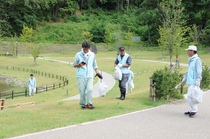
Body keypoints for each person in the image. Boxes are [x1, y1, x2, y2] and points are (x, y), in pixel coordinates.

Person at [73, 41, 103, 109]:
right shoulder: (78, 54)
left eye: (87, 49)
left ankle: (89, 103)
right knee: (82, 91)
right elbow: (74, 65)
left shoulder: (92, 54)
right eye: (84, 49)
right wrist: (79, 64)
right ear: (82, 48)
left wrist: (98, 73)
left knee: (89, 90)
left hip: (90, 75)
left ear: (89, 48)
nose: (85, 51)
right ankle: (83, 104)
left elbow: (95, 65)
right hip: (81, 75)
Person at [182, 45, 202, 118]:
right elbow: (189, 71)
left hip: (194, 81)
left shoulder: (197, 60)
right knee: (191, 96)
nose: (188, 52)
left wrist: (198, 80)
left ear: (192, 51)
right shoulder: (191, 60)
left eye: (189, 50)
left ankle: (194, 110)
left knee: (190, 97)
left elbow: (199, 71)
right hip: (190, 81)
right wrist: (185, 78)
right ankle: (191, 109)